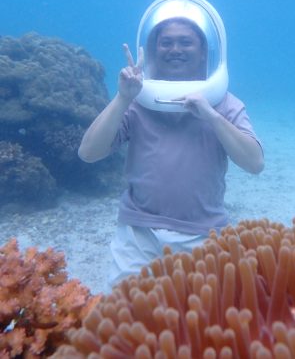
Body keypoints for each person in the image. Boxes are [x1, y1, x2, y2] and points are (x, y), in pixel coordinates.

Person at [78, 16, 264, 287]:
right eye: (166, 42)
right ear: (154, 49)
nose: (175, 49)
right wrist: (123, 97)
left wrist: (211, 116)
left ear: (204, 51)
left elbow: (255, 163)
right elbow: (88, 152)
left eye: (185, 42)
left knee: (199, 313)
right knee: (123, 311)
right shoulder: (137, 99)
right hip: (137, 232)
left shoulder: (224, 103)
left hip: (203, 232)